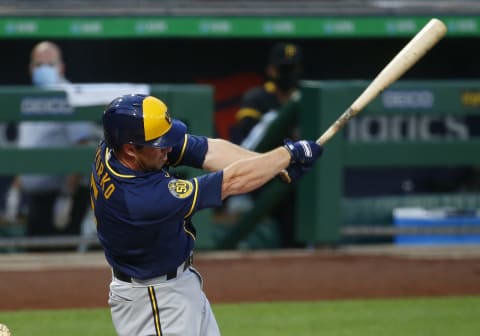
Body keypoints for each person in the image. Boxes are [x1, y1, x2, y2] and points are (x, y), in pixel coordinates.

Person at [91, 93, 322, 336]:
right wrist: (288, 155)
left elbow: (208, 151)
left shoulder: (116, 145)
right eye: (159, 144)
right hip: (155, 302)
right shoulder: (142, 199)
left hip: (174, 287)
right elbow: (232, 181)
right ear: (130, 150)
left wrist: (271, 166)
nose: (168, 148)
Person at [4, 41, 96, 246]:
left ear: (61, 67)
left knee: (59, 260)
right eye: (38, 64)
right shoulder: (29, 98)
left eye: (49, 64)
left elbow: (81, 147)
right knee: (32, 259)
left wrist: (66, 197)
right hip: (36, 200)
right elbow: (28, 150)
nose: (43, 69)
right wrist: (16, 190)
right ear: (30, 68)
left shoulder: (71, 95)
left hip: (61, 199)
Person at [229, 42, 304, 247]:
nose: (289, 74)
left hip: (296, 179)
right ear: (272, 70)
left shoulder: (306, 98)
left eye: (293, 69)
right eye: (284, 69)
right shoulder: (258, 98)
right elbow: (246, 142)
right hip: (262, 177)